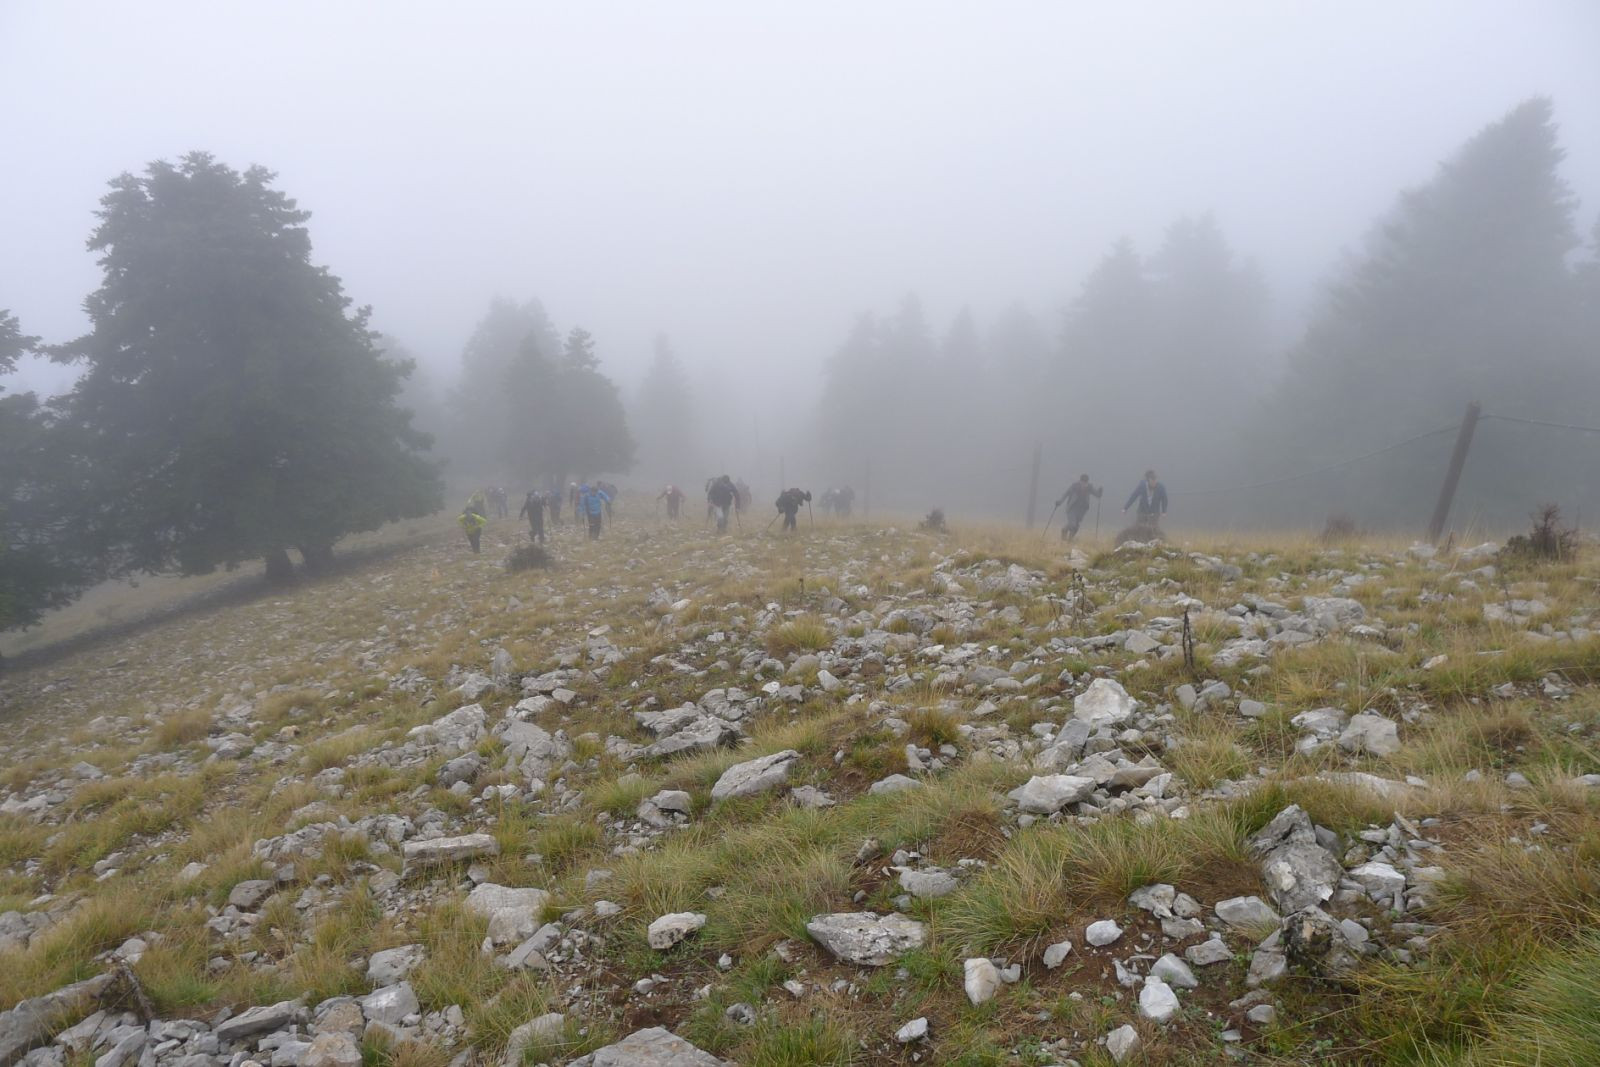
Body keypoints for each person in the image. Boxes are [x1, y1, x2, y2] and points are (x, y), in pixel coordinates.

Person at [1056, 475, 1103, 541]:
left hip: (1082, 510)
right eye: (1082, 482)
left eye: (1085, 483)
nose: (1084, 484)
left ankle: (1070, 540)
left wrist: (1100, 491)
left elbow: (1097, 495)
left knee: (1076, 526)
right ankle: (1064, 530)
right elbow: (1066, 494)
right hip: (1072, 508)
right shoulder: (1074, 486)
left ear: (1087, 482)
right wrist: (1060, 502)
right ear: (1080, 481)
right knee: (1072, 524)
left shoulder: (1089, 487)